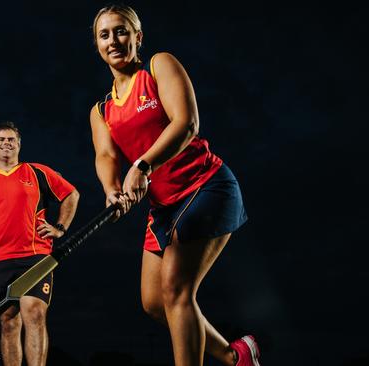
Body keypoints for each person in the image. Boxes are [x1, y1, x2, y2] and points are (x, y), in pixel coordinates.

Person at [89, 5, 260, 366]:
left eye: (121, 31)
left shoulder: (158, 66)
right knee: (153, 302)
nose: (113, 41)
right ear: (97, 45)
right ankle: (236, 357)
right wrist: (112, 189)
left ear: (138, 37)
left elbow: (186, 123)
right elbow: (105, 157)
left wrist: (143, 164)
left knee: (176, 291)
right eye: (104, 35)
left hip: (206, 186)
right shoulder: (101, 110)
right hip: (164, 208)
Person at [0, 121, 80, 366]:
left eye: (11, 139)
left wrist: (60, 228)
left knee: (34, 312)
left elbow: (71, 194)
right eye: (1, 140)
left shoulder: (37, 171)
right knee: (8, 321)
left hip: (35, 255)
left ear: (19, 144)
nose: (6, 143)